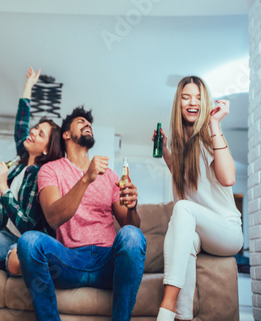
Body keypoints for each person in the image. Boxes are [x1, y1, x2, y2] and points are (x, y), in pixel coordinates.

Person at [17, 106, 147, 321]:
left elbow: (131, 227)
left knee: (133, 236)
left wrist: (132, 206)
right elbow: (53, 217)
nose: (88, 125)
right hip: (68, 261)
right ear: (66, 134)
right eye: (81, 122)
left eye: (89, 124)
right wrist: (86, 178)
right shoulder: (51, 170)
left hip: (107, 262)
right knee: (29, 242)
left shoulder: (110, 175)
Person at [154, 76, 243, 321]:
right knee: (188, 238)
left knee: (183, 208)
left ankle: (166, 309)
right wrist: (166, 153)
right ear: (178, 104)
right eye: (186, 97)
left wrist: (215, 123)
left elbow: (228, 179)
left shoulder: (208, 137)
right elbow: (186, 181)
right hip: (202, 232)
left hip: (228, 232)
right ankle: (183, 316)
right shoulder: (183, 146)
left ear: (205, 103)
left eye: (198, 97)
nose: (192, 102)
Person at [0, 67, 62, 274]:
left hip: (18, 240)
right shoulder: (22, 161)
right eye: (35, 129)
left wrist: (3, 187)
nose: (33, 132)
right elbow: (21, 124)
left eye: (41, 133)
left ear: (47, 148)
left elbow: (27, 227)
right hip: (5, 234)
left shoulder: (41, 175)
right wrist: (28, 86)